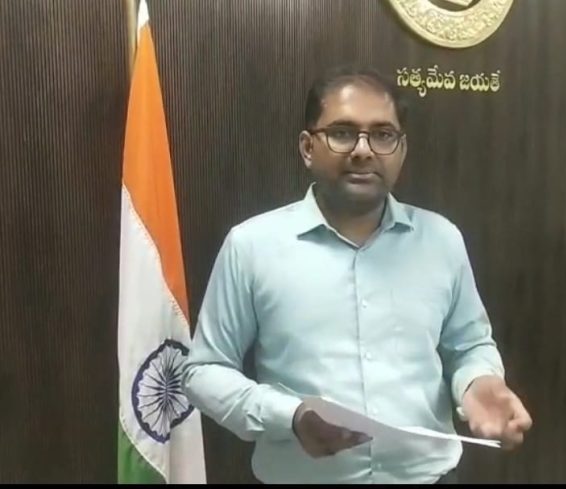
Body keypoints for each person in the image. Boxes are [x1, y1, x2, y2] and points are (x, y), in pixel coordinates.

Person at [181, 65, 532, 484]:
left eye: (383, 135)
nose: (363, 150)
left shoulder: (442, 240)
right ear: (307, 147)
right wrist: (290, 416)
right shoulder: (251, 245)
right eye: (343, 133)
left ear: (401, 149)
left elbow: (469, 345)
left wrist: (479, 382)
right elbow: (204, 371)